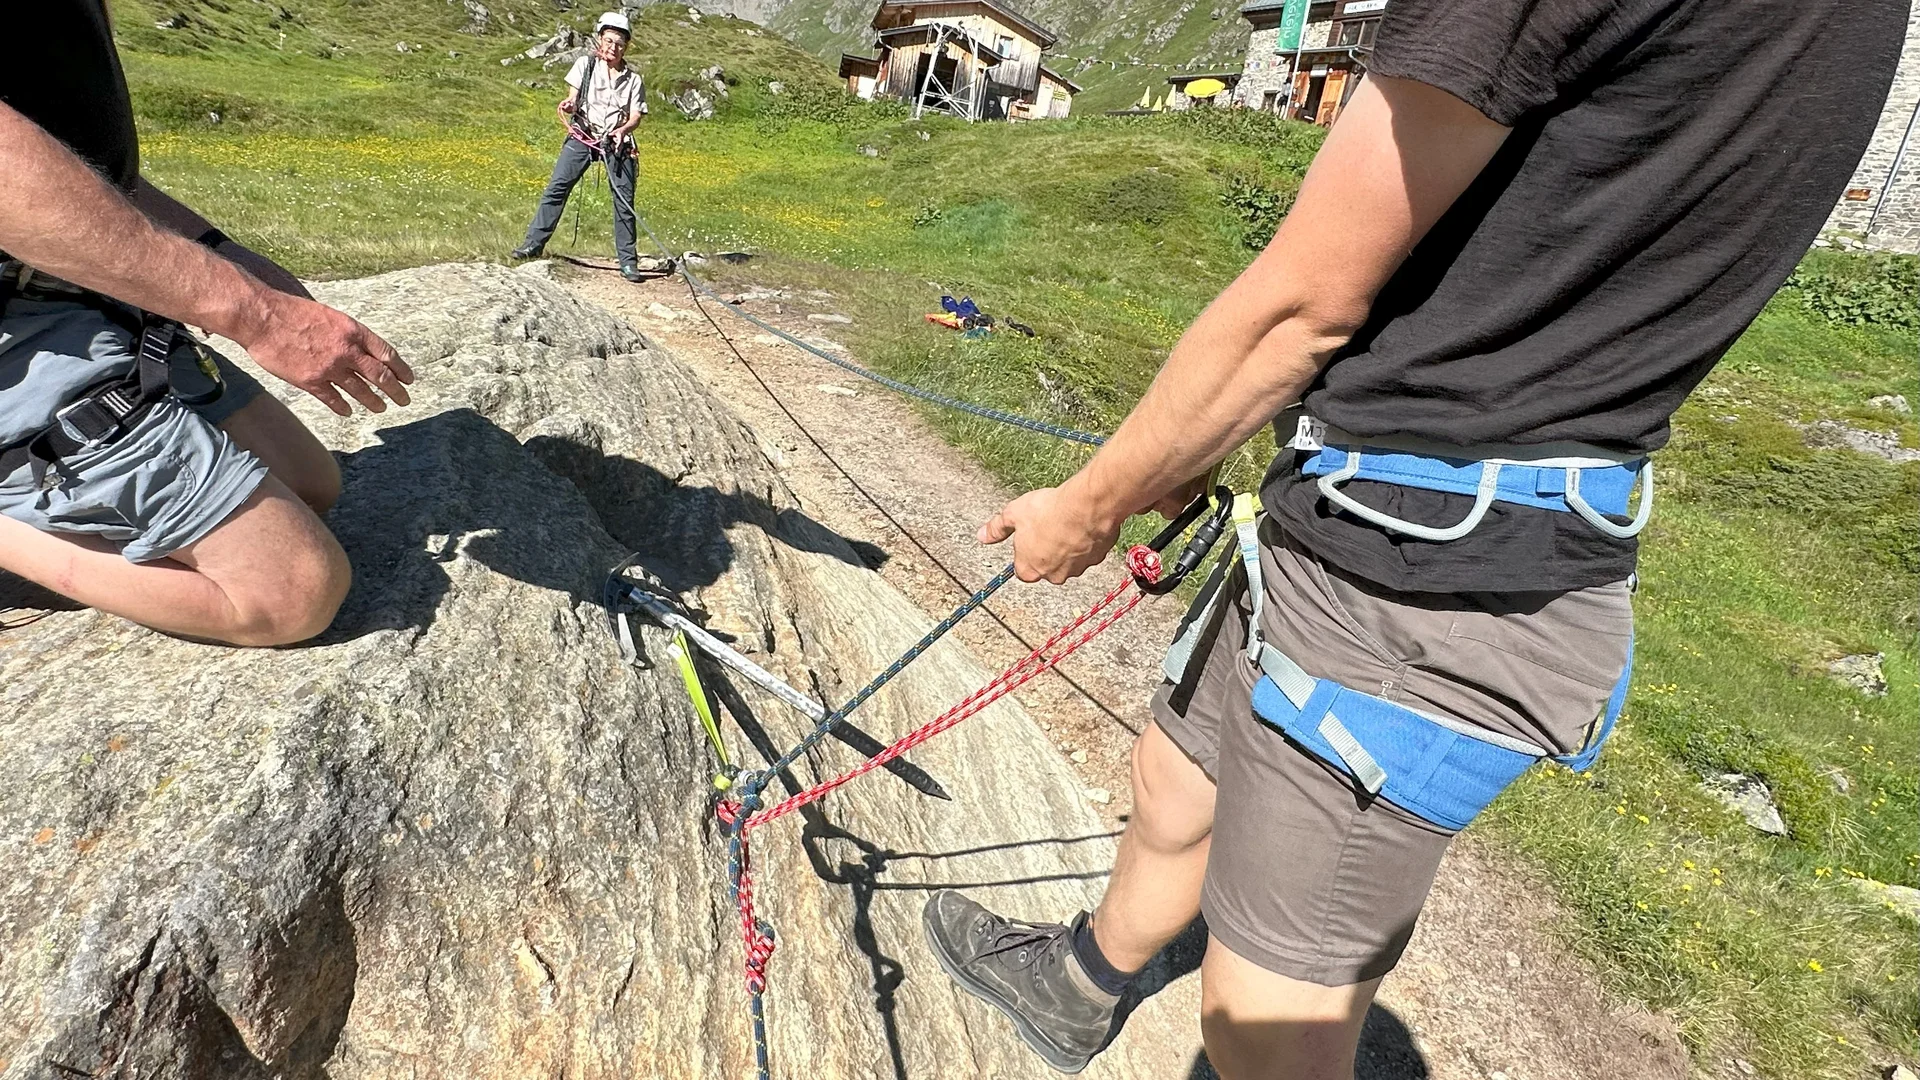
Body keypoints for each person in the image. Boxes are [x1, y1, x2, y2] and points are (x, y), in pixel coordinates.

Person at [922, 0, 1906, 1076]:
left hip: (1425, 583)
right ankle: (1076, 986)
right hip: (1374, 517)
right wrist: (1193, 446)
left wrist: (1092, 505)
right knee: (1179, 775)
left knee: (1268, 1018)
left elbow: (1303, 306)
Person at [0, 0, 414, 647]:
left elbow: (75, 160)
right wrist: (254, 313)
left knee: (311, 482)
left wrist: (222, 255)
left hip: (81, 287)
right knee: (290, 591)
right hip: (18, 331)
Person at [510, 11, 667, 282]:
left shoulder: (634, 80)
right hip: (583, 134)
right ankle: (532, 245)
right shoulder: (585, 65)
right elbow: (573, 98)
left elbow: (636, 117)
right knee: (557, 188)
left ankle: (628, 262)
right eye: (609, 41)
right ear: (600, 40)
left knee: (624, 201)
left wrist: (623, 130)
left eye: (619, 43)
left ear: (626, 47)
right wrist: (570, 104)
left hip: (617, 142)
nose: (613, 48)